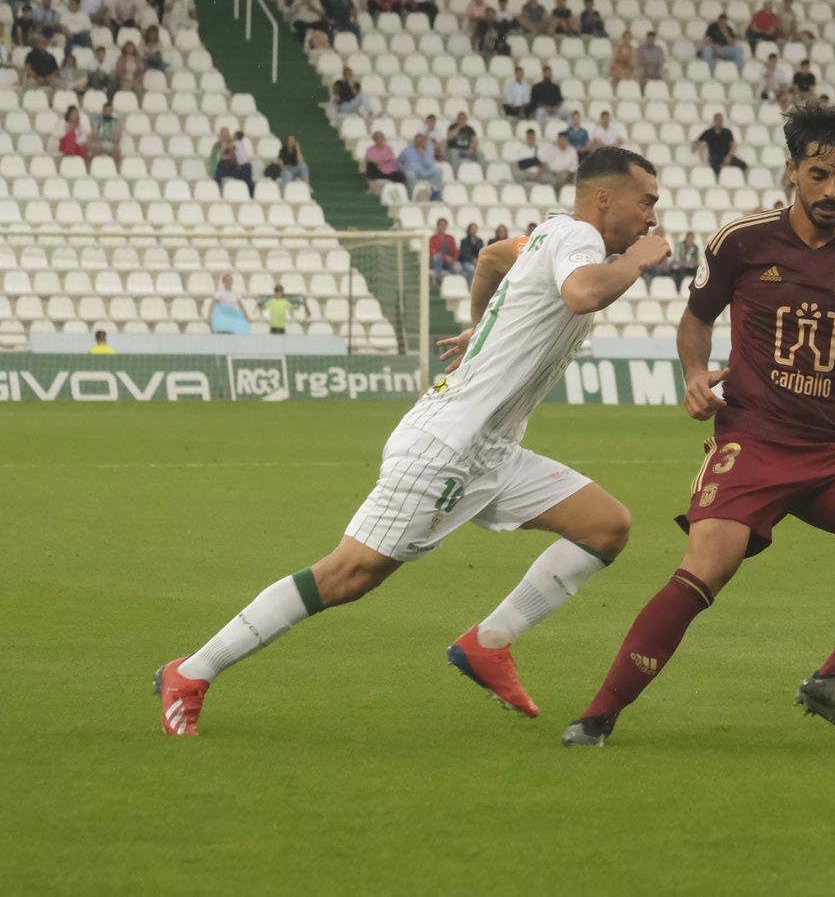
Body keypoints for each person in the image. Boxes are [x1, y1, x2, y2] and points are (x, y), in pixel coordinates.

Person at [156, 149, 672, 738]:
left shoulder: (556, 237)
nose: (652, 217)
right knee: (350, 573)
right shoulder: (579, 237)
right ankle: (190, 672)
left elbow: (492, 257)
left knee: (605, 525)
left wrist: (483, 326)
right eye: (647, 201)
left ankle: (488, 643)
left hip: (494, 450)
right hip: (446, 445)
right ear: (604, 199)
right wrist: (636, 260)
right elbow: (583, 294)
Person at [562, 104, 835, 746]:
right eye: (819, 174)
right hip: (753, 442)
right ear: (792, 173)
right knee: (705, 567)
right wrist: (694, 374)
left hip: (834, 454)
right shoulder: (741, 242)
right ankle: (599, 714)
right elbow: (696, 320)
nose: (832, 190)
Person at [210, 129, 255, 196]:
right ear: (220, 136)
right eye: (224, 135)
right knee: (219, 173)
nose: (226, 136)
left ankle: (251, 195)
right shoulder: (217, 146)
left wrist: (231, 149)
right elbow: (218, 159)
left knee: (246, 169)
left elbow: (238, 158)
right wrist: (224, 150)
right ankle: (217, 194)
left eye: (227, 134)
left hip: (234, 168)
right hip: (222, 169)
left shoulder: (234, 143)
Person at [399, 132, 444, 199]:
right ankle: (413, 195)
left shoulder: (428, 150)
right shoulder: (407, 150)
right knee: (408, 174)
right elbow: (399, 162)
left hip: (425, 172)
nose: (419, 143)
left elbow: (429, 164)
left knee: (438, 171)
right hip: (413, 173)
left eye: (421, 141)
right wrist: (403, 169)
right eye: (418, 141)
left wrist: (424, 154)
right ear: (414, 141)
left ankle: (435, 193)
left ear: (424, 142)